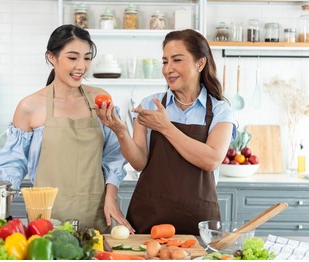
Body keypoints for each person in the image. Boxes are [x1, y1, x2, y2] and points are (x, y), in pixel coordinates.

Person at [0, 24, 133, 234]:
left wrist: (111, 197)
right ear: (52, 57)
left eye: (87, 58)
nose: (81, 66)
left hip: (97, 214)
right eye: (72, 58)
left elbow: (113, 156)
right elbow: (11, 165)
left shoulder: (99, 99)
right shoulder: (30, 107)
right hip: (45, 219)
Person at [95, 29, 236, 235]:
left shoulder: (220, 110)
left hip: (197, 219)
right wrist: (121, 132)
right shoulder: (150, 104)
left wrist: (165, 127)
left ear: (200, 63)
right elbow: (139, 162)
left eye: (177, 60)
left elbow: (211, 159)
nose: (168, 69)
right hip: (149, 216)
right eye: (164, 61)